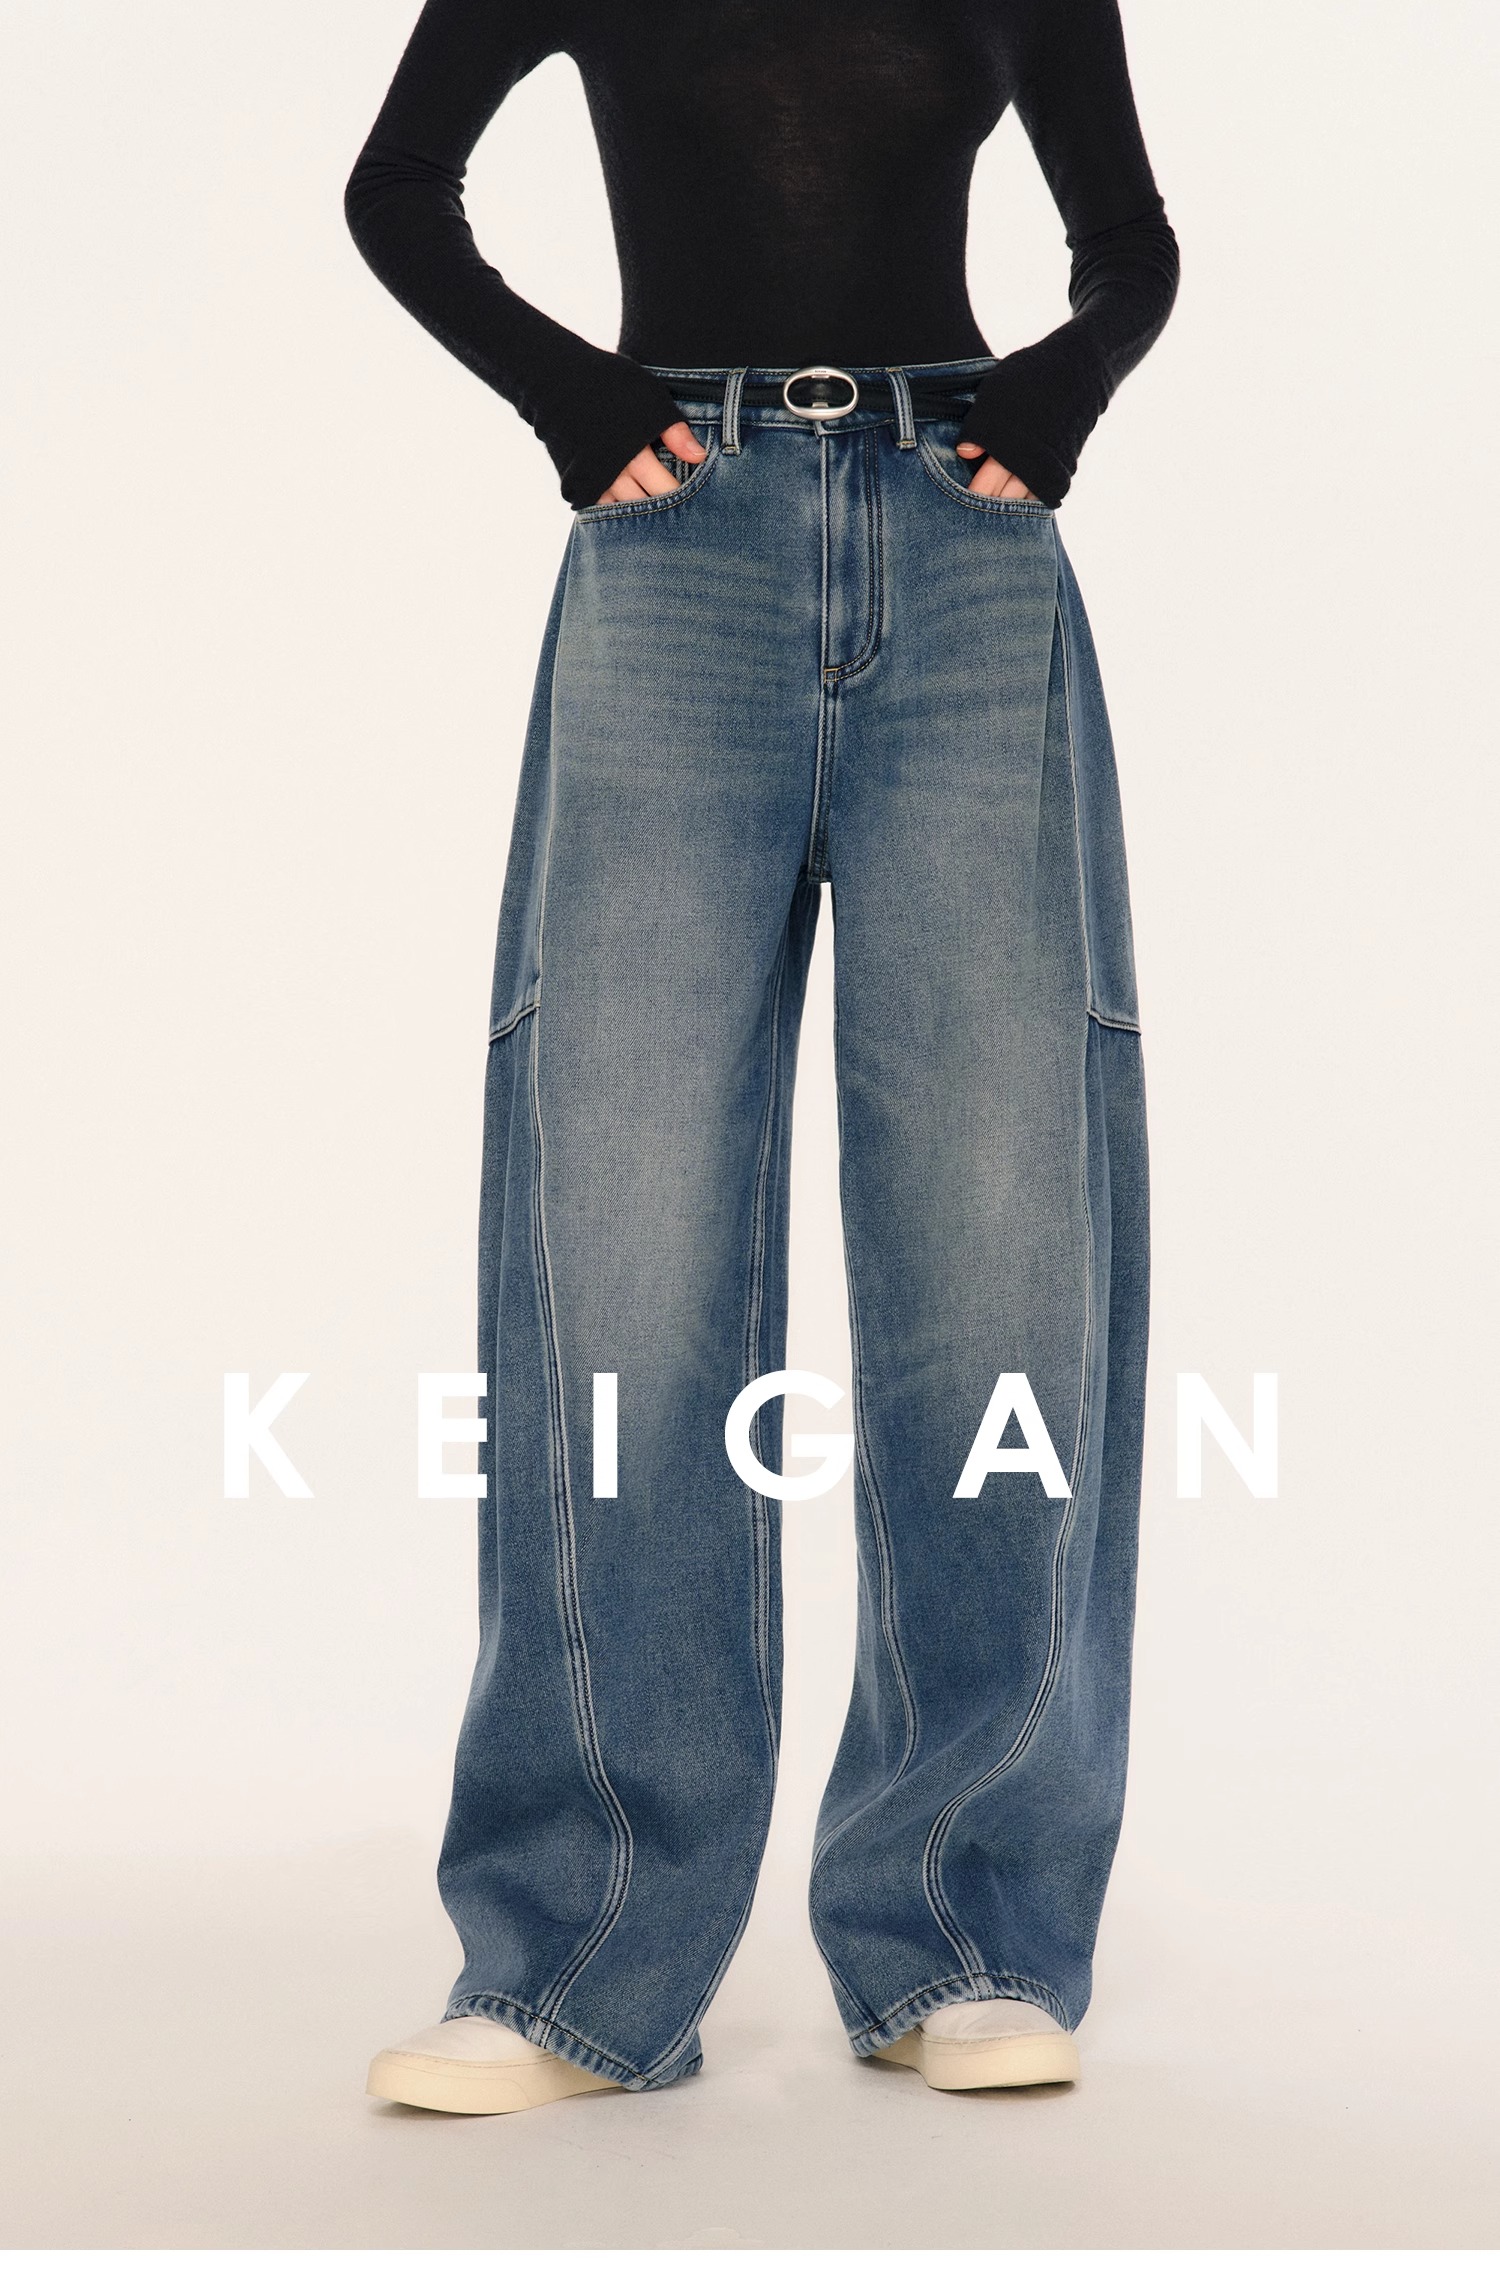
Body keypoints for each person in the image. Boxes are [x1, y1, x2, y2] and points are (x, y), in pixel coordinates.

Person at [345, 0, 1179, 2115]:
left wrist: (1065, 386)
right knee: (615, 1243)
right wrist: (570, 394)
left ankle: (966, 1925)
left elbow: (1131, 248)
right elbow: (398, 189)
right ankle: (578, 1957)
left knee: (997, 1242)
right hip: (672, 544)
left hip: (971, 544)